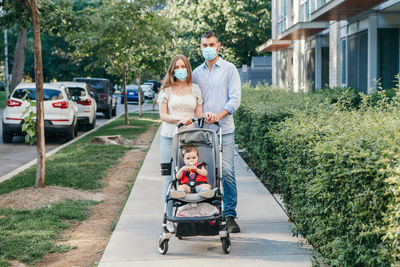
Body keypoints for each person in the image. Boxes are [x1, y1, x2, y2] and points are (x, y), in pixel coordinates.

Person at [192, 31, 241, 233]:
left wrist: (218, 116)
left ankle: (230, 215)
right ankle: (210, 212)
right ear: (201, 47)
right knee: (207, 172)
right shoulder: (195, 73)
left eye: (212, 44)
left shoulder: (229, 69)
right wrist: (203, 115)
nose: (208, 48)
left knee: (227, 172)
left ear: (218, 46)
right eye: (205, 45)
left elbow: (235, 99)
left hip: (224, 129)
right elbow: (194, 99)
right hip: (204, 131)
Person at [158, 54, 204, 230]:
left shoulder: (195, 89)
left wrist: (200, 118)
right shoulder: (166, 90)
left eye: (183, 66)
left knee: (192, 176)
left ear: (188, 69)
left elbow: (198, 114)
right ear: (172, 70)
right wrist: (180, 119)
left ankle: (191, 215)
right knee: (170, 179)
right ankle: (169, 218)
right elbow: (163, 115)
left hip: (191, 139)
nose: (180, 70)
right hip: (170, 138)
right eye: (176, 67)